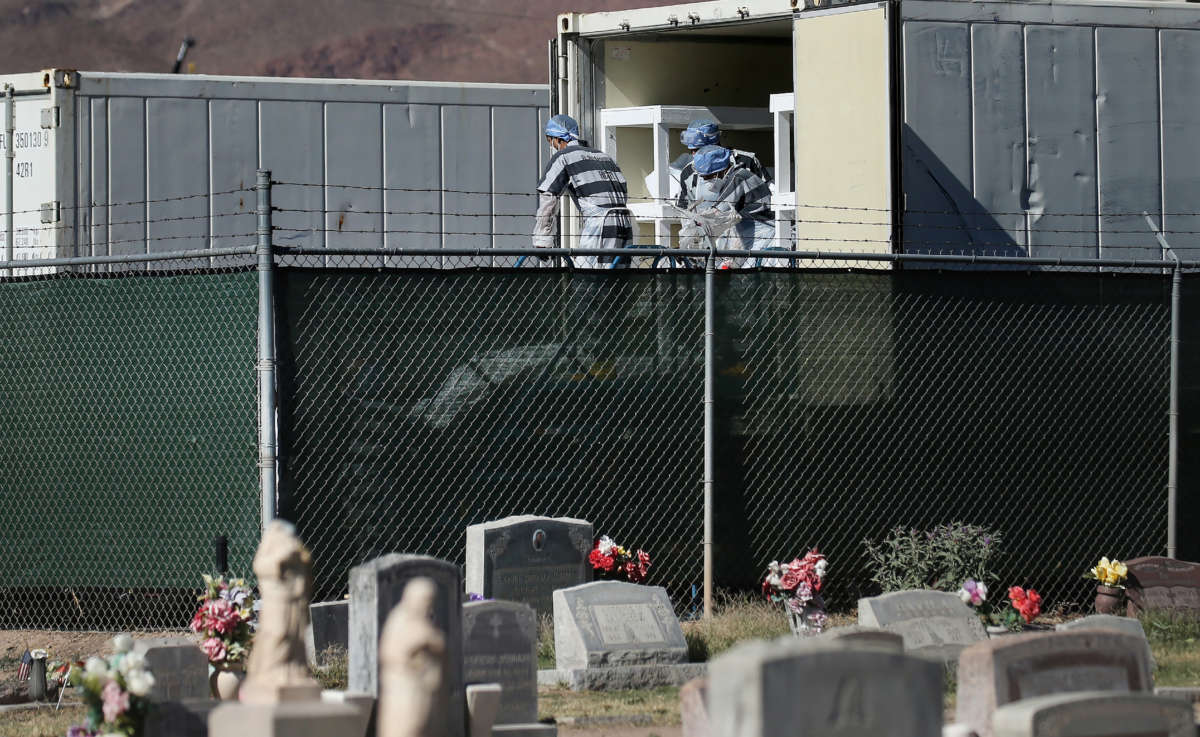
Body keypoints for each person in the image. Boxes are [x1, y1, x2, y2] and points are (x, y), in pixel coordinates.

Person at [533, 114, 633, 268]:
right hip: (625, 222)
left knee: (588, 279)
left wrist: (542, 240)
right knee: (617, 282)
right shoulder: (604, 156)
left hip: (599, 224)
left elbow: (549, 196)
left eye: (550, 140)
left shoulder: (564, 156)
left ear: (559, 139)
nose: (552, 145)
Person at [680, 145, 775, 268]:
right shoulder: (734, 178)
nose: (706, 182)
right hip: (751, 238)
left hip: (763, 238)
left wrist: (690, 237)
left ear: (720, 170)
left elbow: (717, 214)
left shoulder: (738, 178)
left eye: (708, 177)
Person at [674, 119, 770, 214]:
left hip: (751, 226)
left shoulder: (747, 162)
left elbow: (769, 196)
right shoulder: (688, 172)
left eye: (698, 150)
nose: (695, 155)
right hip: (709, 227)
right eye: (692, 151)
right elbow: (684, 210)